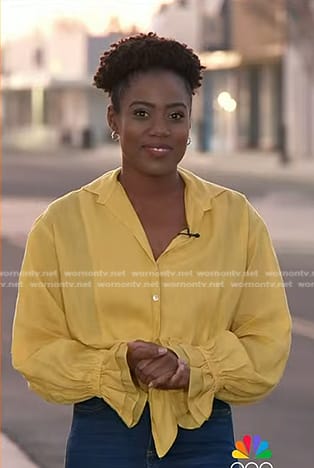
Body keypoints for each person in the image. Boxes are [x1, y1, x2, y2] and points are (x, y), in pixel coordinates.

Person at [12, 32, 292, 468]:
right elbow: (35, 351)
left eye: (175, 115)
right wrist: (118, 365)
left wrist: (192, 365)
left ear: (190, 121)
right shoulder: (61, 225)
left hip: (208, 436)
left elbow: (268, 343)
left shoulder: (236, 219)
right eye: (141, 113)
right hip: (103, 438)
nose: (160, 129)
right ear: (113, 118)